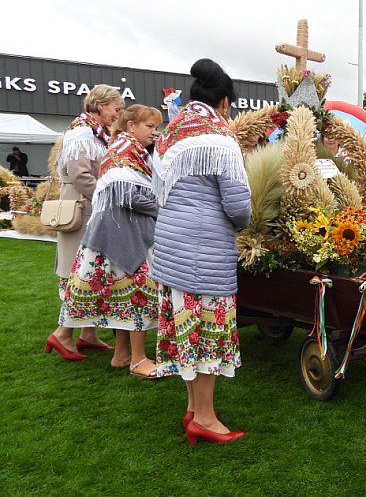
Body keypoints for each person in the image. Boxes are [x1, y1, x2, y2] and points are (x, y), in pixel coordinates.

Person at [152, 58, 251, 445]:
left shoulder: (171, 132)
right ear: (224, 102)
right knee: (206, 331)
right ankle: (206, 419)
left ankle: (194, 408)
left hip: (172, 247)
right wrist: (245, 224)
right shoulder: (219, 137)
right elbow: (238, 206)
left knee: (185, 330)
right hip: (205, 250)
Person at [58, 105, 163, 378]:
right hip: (123, 234)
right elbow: (127, 194)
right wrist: (161, 206)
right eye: (149, 126)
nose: (155, 132)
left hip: (117, 231)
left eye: (155, 126)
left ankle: (121, 354)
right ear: (131, 126)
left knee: (125, 292)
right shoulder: (125, 151)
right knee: (138, 291)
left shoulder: (126, 149)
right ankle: (138, 360)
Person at [45, 85, 124, 361]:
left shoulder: (92, 133)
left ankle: (87, 334)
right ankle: (62, 334)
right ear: (100, 105)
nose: (118, 114)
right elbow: (81, 176)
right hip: (82, 211)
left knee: (91, 274)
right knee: (82, 274)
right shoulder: (82, 134)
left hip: (88, 209)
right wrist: (108, 195)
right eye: (116, 108)